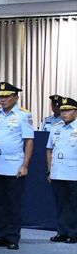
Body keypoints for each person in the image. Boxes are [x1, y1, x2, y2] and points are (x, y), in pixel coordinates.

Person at [0, 80, 33, 250]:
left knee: (13, 203)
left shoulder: (23, 115)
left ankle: (12, 236)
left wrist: (25, 165)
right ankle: (0, 235)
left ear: (16, 97)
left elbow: (29, 141)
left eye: (7, 96)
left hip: (13, 164)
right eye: (0, 97)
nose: (3, 99)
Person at [46, 94, 77, 244]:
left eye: (68, 110)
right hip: (57, 172)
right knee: (60, 204)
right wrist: (49, 171)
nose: (64, 113)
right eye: (63, 110)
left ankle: (73, 233)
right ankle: (61, 232)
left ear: (75, 111)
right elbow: (49, 150)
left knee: (73, 205)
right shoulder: (55, 127)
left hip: (74, 173)